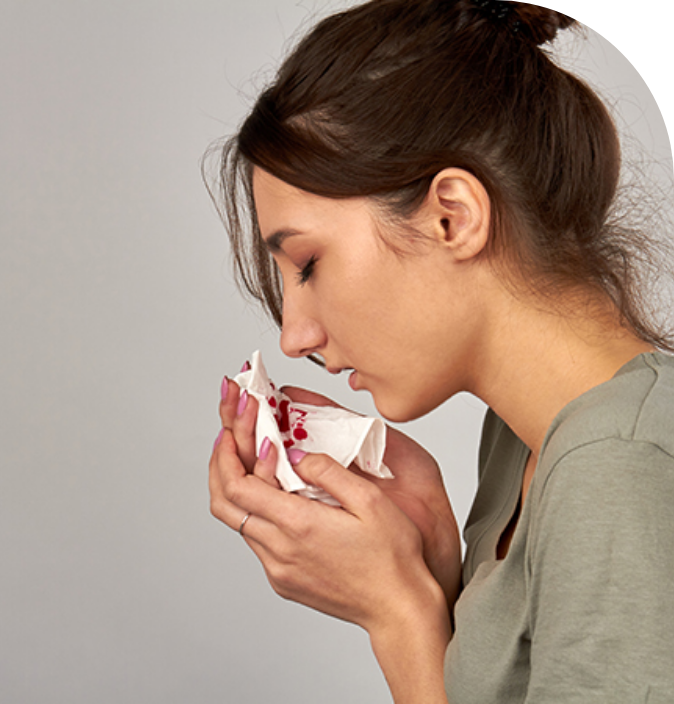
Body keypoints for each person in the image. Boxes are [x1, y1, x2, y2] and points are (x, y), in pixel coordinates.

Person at [207, 1, 674, 701]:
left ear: (452, 217)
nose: (293, 336)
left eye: (306, 265)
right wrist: (431, 561)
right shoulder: (523, 440)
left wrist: (397, 613)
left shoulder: (619, 466)